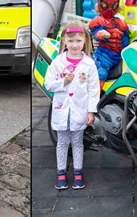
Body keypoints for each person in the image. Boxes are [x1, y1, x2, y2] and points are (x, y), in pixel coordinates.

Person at [44, 20, 100, 190]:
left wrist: (91, 111)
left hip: (79, 111)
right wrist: (64, 81)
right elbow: (48, 84)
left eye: (78, 40)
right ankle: (61, 172)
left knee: (77, 143)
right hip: (62, 111)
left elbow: (93, 89)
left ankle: (78, 172)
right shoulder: (57, 63)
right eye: (71, 41)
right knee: (62, 142)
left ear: (85, 42)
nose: (75, 45)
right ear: (64, 42)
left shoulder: (89, 64)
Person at [88, 0, 129, 87]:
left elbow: (125, 40)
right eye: (105, 5)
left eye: (114, 5)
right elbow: (96, 33)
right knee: (101, 73)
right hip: (104, 55)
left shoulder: (121, 23)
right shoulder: (98, 21)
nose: (110, 9)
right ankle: (95, 98)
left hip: (119, 56)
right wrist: (101, 34)